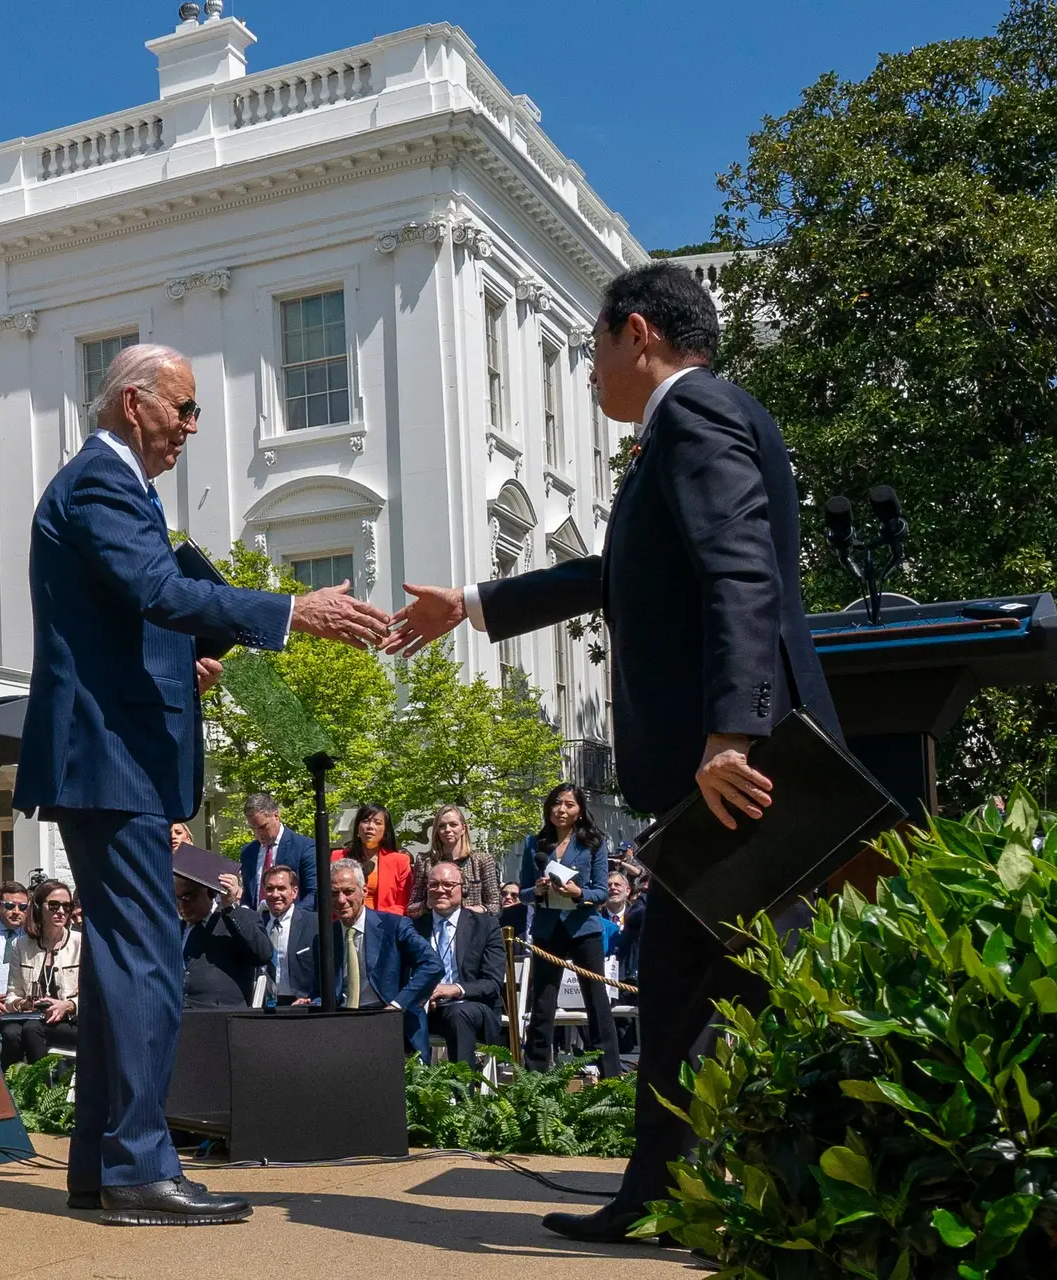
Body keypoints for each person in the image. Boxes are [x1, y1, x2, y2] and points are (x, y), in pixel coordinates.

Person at [382, 261, 842, 1243]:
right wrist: (470, 603)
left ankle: (814, 1200)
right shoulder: (690, 423)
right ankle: (660, 1193)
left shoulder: (694, 415)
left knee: (777, 987)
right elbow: (613, 573)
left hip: (733, 773)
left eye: (591, 347)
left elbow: (740, 572)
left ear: (637, 333)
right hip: (707, 777)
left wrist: (733, 730)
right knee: (678, 989)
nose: (588, 373)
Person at [13, 342, 388, 1225]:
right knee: (144, 961)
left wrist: (185, 660)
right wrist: (293, 612)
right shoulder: (102, 482)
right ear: (134, 402)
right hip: (112, 763)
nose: (190, 426)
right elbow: (150, 587)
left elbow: (125, 616)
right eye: (182, 409)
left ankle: (104, 1167)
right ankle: (138, 1166)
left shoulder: (116, 488)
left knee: (120, 965)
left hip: (115, 757)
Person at [517, 784, 624, 1079]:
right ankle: (535, 1076)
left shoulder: (594, 843)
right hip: (547, 928)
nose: (561, 810)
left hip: (583, 928)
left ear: (579, 812)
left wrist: (580, 892)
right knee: (542, 1002)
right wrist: (536, 891)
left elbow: (602, 892)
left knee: (597, 1001)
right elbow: (523, 892)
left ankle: (611, 1074)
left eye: (569, 805)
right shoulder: (534, 843)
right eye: (556, 804)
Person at [327, 859, 442, 1057]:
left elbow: (433, 965)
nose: (341, 899)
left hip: (388, 1019)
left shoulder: (394, 926)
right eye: (334, 893)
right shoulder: (326, 936)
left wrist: (397, 1005)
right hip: (341, 1024)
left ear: (364, 890)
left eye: (348, 891)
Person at [415, 860, 507, 1069]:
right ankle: (410, 1093)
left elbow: (491, 983)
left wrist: (451, 990)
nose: (440, 890)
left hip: (473, 1008)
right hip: (427, 1008)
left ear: (462, 889)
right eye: (434, 885)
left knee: (459, 1015)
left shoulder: (486, 926)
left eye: (448, 885)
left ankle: (464, 1095)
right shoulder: (414, 928)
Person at [1, 879, 82, 1068]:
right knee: (11, 1033)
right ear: (38, 907)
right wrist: (23, 1004)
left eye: (67, 906)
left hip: (71, 1021)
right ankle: (11, 1092)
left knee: (32, 1029)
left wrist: (68, 1005)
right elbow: (12, 994)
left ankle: (41, 1094)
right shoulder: (21, 945)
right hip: (33, 1017)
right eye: (54, 905)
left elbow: (93, 994)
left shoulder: (81, 942)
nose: (61, 911)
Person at [176, 866, 272, 1010]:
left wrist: (230, 908)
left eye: (189, 897)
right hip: (179, 1016)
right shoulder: (175, 928)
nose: (182, 904)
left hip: (220, 1018)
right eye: (177, 898)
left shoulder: (238, 919)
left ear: (210, 892)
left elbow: (263, 954)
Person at [405, 804, 501, 916]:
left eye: (453, 825)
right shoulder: (425, 861)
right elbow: (411, 909)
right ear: (436, 831)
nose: (447, 830)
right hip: (435, 927)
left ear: (463, 828)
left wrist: (476, 910)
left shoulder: (482, 861)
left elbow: (495, 906)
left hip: (472, 927)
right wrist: (428, 904)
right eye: (442, 826)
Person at [329, 803, 413, 916]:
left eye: (377, 823)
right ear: (357, 828)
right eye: (365, 821)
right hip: (344, 923)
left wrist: (374, 922)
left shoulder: (400, 861)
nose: (370, 826)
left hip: (384, 924)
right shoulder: (338, 857)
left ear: (385, 831)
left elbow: (403, 905)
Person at [237, 793, 317, 910]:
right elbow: (248, 896)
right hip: (257, 925)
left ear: (276, 816)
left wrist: (288, 919)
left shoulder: (304, 847)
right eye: (253, 828)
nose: (258, 834)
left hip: (294, 923)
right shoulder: (248, 852)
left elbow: (314, 895)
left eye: (262, 827)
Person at [257, 865, 317, 1003]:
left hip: (301, 1003)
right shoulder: (257, 923)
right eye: (270, 889)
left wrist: (312, 999)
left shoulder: (314, 924)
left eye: (281, 888)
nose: (275, 894)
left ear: (294, 892)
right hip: (263, 1003)